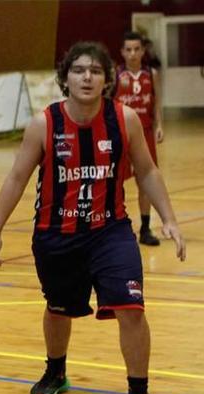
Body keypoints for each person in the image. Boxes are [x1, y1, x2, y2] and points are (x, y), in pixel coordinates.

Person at [0, 41, 186, 394]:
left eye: (95, 71)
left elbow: (146, 171)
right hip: (56, 235)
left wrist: (169, 219)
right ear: (65, 78)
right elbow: (16, 178)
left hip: (110, 231)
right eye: (78, 70)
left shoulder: (124, 119)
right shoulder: (45, 123)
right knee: (59, 307)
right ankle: (56, 371)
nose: (87, 77)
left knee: (132, 308)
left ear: (107, 79)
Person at [114, 31, 164, 246]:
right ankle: (118, 227)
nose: (133, 53)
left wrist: (159, 125)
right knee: (115, 183)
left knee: (145, 182)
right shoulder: (116, 75)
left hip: (145, 133)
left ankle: (145, 228)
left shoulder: (150, 74)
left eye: (137, 49)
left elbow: (156, 101)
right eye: (129, 49)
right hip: (121, 134)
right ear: (122, 52)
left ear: (143, 51)